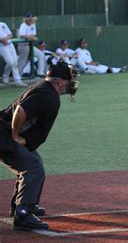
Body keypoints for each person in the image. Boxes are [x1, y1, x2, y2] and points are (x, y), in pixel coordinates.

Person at [0, 61, 80, 231]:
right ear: (60, 82)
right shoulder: (48, 95)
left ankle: (21, 204)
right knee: (33, 167)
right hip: (4, 135)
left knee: (33, 160)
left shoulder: (45, 89)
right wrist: (15, 135)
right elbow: (21, 111)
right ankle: (23, 214)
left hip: (4, 132)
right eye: (69, 79)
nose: (71, 83)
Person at [17, 12, 46, 77]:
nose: (30, 20)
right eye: (29, 19)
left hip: (30, 45)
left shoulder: (33, 25)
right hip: (23, 45)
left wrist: (30, 36)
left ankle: (40, 72)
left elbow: (34, 35)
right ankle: (17, 77)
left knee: (41, 55)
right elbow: (22, 36)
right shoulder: (23, 25)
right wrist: (31, 37)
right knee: (23, 61)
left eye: (31, 19)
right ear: (26, 19)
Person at [0, 22, 27, 87]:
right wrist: (2, 39)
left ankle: (6, 77)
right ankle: (17, 80)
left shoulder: (2, 24)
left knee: (14, 62)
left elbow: (10, 34)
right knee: (11, 63)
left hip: (10, 45)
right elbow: (4, 42)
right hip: (2, 47)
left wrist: (5, 38)